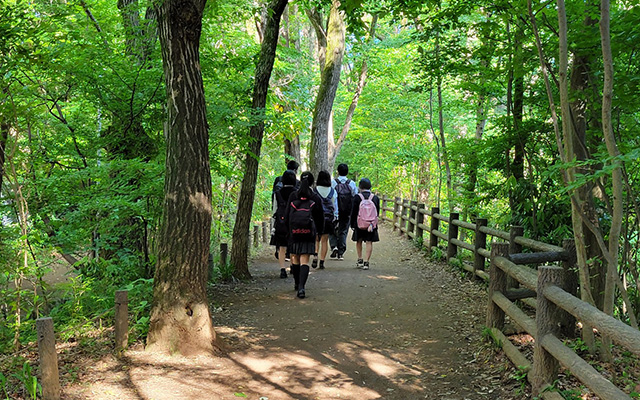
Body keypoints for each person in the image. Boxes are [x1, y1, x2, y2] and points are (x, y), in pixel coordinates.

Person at [284, 171, 324, 298]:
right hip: (308, 233)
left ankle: (296, 283)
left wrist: (288, 232)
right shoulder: (315, 197)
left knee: (295, 257)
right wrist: (319, 233)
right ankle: (301, 287)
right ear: (313, 182)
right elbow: (320, 218)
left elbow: (287, 215)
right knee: (304, 259)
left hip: (294, 232)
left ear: (300, 181)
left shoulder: (293, 196)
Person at [270, 170, 297, 278]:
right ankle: (292, 266)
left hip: (281, 223)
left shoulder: (278, 193)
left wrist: (273, 226)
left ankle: (282, 269)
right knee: (293, 246)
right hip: (294, 222)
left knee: (282, 247)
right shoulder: (297, 192)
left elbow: (274, 209)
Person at [350, 178, 380, 270]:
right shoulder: (375, 198)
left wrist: (352, 224)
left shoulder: (357, 197)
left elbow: (354, 212)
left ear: (360, 187)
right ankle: (367, 262)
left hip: (359, 223)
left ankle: (360, 259)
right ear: (370, 186)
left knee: (358, 241)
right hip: (370, 224)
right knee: (369, 241)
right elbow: (377, 212)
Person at [330, 163, 357, 260]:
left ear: (337, 171)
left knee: (332, 229)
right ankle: (341, 252)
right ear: (347, 172)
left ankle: (334, 246)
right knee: (343, 230)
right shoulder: (352, 183)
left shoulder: (333, 182)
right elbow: (355, 196)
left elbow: (330, 196)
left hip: (334, 210)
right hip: (347, 211)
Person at [312, 170, 338, 270]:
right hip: (328, 218)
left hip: (316, 218)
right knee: (324, 241)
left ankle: (315, 256)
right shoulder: (332, 191)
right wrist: (336, 216)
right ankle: (322, 261)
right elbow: (335, 205)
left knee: (316, 239)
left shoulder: (314, 190)